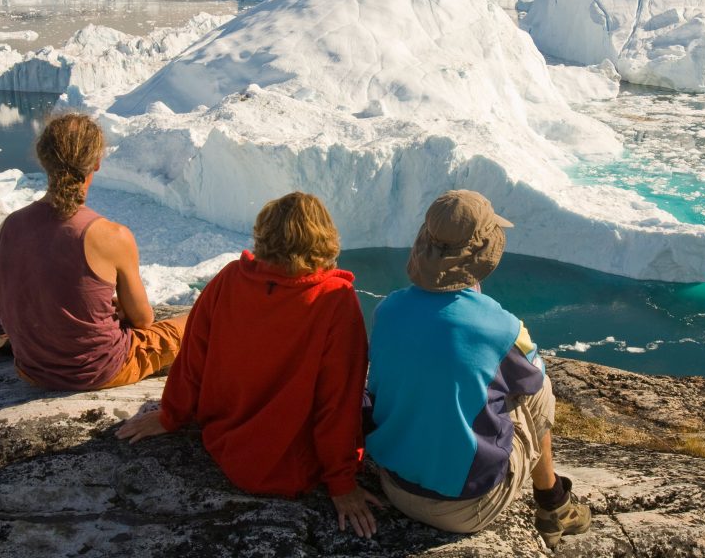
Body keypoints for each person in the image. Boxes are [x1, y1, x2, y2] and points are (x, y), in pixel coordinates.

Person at [116, 192, 380, 539]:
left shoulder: (229, 278)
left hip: (226, 445)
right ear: (324, 240)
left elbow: (193, 357)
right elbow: (338, 402)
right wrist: (342, 484)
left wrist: (171, 415)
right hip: (294, 466)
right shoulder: (334, 300)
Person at [364, 190, 591, 548]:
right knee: (538, 390)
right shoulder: (502, 329)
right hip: (468, 507)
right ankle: (554, 504)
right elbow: (531, 380)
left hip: (394, 485)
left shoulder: (388, 309)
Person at [0, 112, 186, 391]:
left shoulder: (9, 226)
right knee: (199, 318)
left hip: (32, 369)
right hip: (98, 370)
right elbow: (143, 321)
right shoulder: (111, 235)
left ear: (44, 159)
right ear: (96, 163)